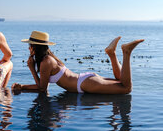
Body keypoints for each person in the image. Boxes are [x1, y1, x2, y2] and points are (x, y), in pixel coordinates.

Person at [11, 31, 144, 94]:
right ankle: (111, 54)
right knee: (121, 81)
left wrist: (30, 72)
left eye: (30, 45)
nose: (28, 48)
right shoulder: (50, 58)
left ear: (35, 47)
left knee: (126, 88)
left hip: (85, 84)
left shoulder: (46, 62)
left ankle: (126, 52)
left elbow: (42, 88)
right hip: (86, 79)